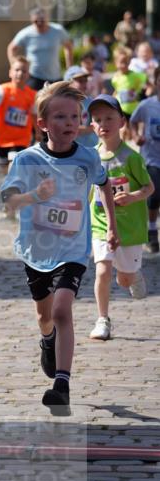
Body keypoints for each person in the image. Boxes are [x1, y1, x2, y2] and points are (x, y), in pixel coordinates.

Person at [0, 81, 118, 416]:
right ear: (42, 124)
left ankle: (62, 385)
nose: (69, 123)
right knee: (45, 315)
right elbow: (8, 203)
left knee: (62, 310)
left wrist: (111, 225)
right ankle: (47, 339)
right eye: (60, 117)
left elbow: (105, 185)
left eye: (74, 117)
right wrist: (35, 196)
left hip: (73, 249)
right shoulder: (26, 160)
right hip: (36, 249)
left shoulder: (87, 158)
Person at [87, 94, 154, 341]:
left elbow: (149, 189)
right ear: (92, 125)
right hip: (101, 225)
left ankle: (132, 274)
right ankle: (102, 319)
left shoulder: (131, 158)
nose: (103, 123)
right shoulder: (90, 157)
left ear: (122, 122)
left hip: (130, 228)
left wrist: (132, 197)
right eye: (97, 119)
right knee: (102, 271)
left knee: (123, 279)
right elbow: (88, 192)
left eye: (109, 118)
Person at [0, 55, 37, 181]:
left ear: (28, 75)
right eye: (17, 70)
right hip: (2, 138)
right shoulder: (2, 90)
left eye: (24, 71)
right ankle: (9, 184)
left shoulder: (32, 95)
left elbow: (34, 115)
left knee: (15, 164)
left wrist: (38, 132)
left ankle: (14, 188)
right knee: (5, 167)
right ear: (10, 72)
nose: (20, 73)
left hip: (22, 139)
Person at [130, 65, 160, 253]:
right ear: (156, 82)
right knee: (154, 195)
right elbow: (133, 121)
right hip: (151, 158)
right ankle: (151, 231)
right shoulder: (147, 105)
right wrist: (135, 136)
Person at [7, 7, 73, 90]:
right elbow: (11, 48)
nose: (39, 23)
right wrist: (14, 66)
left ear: (47, 19)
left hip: (55, 77)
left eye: (42, 20)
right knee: (34, 102)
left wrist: (69, 68)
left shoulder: (58, 30)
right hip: (34, 77)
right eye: (36, 21)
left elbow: (68, 46)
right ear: (31, 20)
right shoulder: (26, 33)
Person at [110, 47, 147, 120]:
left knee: (134, 130)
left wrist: (146, 92)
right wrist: (111, 101)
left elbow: (147, 82)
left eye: (126, 62)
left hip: (135, 109)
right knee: (123, 130)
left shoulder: (136, 76)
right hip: (122, 109)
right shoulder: (115, 79)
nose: (124, 65)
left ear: (129, 62)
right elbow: (116, 90)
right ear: (115, 63)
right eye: (121, 62)